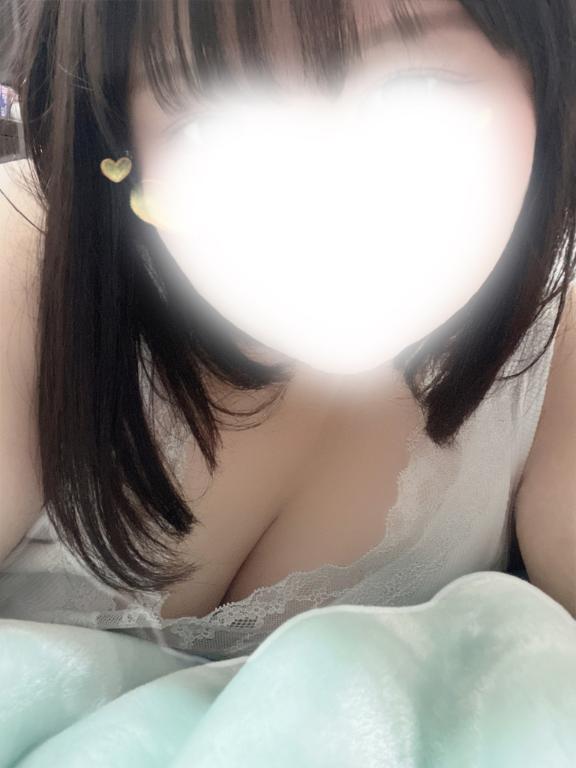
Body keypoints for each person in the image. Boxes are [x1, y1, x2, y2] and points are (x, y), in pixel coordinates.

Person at [0, 0, 574, 662]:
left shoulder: (555, 345)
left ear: (545, 76)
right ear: (120, 135)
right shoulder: (27, 261)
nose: (326, 203)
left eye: (417, 89)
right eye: (213, 126)